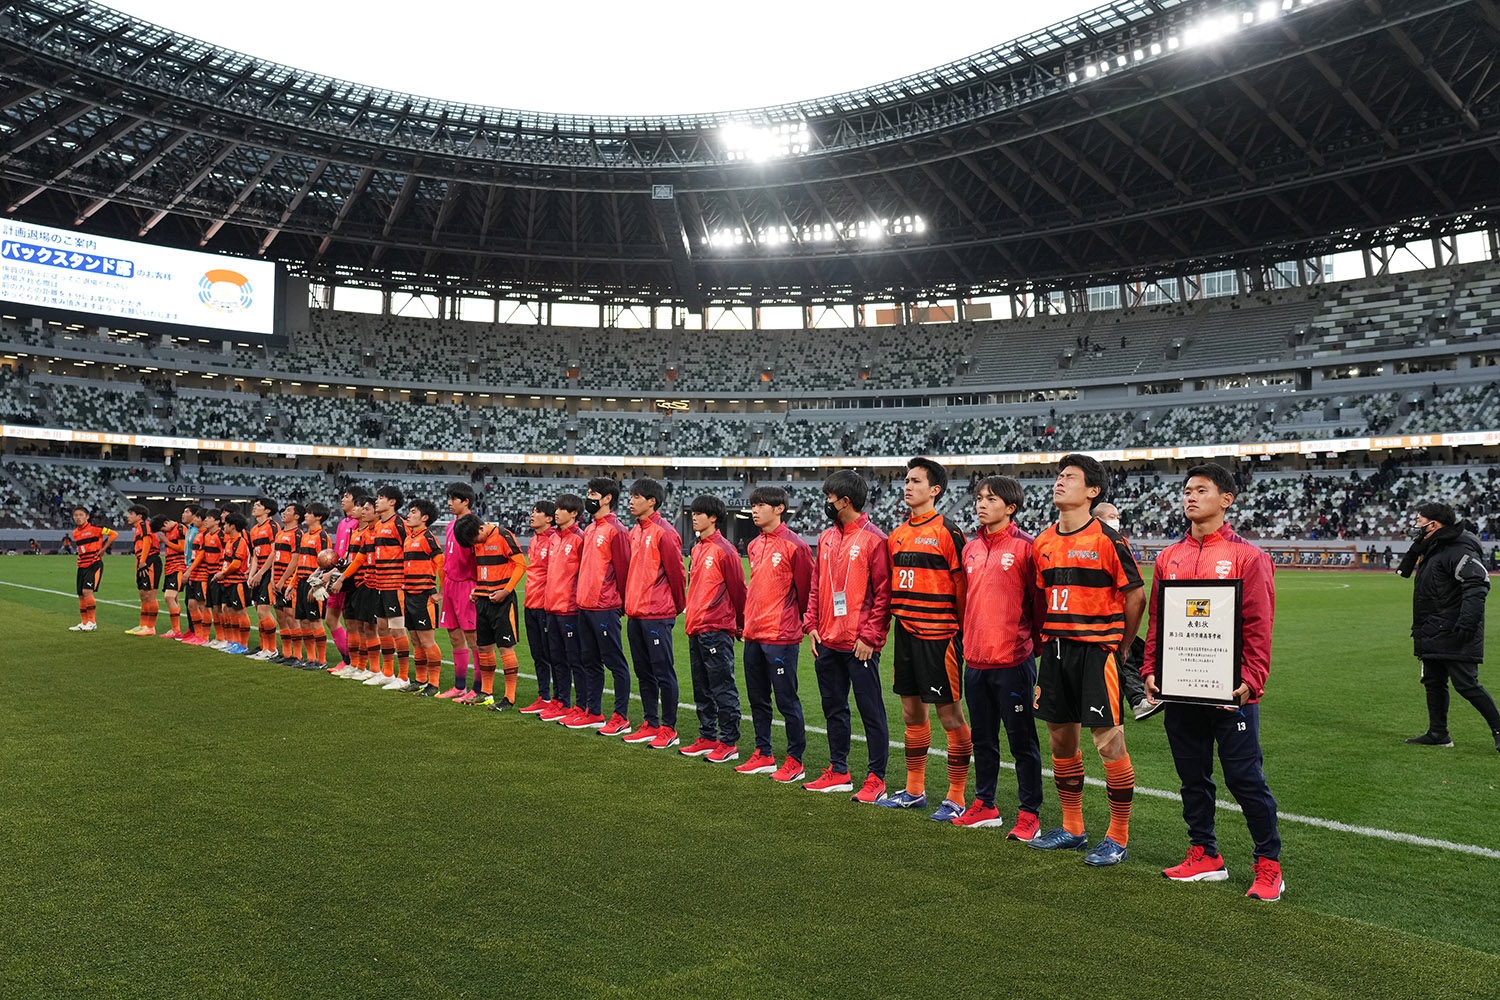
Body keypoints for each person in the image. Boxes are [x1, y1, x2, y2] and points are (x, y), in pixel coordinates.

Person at [1142, 463, 1284, 900]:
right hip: (1181, 686)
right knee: (1192, 776)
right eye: (1186, 490)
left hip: (1230, 690)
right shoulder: (1169, 556)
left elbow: (1259, 624)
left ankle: (1269, 864)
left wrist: (1252, 678)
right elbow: (1158, 621)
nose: (1190, 496)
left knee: (1244, 779)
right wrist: (1150, 668)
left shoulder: (1248, 556)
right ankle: (1205, 853)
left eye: (1201, 490)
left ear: (1227, 499)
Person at [1029, 454, 1145, 867]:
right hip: (1056, 651)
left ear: (1092, 491)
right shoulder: (1043, 542)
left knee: (1108, 741)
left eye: (1070, 477)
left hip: (1096, 651)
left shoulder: (1108, 541)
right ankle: (1073, 827)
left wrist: (1121, 645)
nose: (1059, 482)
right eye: (1058, 476)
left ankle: (1118, 836)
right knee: (1060, 738)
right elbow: (1044, 596)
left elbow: (1136, 596)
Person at [952, 475, 1045, 841]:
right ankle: (985, 804)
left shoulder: (1027, 548)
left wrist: (1028, 647)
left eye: (990, 499)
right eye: (978, 498)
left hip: (1013, 661)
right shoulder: (971, 548)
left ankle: (1029, 813)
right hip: (975, 660)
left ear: (1010, 507)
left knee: (1022, 742)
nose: (981, 503)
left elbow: (1039, 606)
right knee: (983, 739)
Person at [881, 458, 972, 823]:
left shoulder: (949, 533)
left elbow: (963, 588)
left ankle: (955, 796)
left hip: (940, 635)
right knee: (910, 712)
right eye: (906, 480)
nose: (907, 486)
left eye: (916, 481)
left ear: (934, 490)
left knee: (949, 714)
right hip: (906, 632)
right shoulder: (897, 535)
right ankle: (914, 790)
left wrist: (960, 632)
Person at [804, 470, 893, 803]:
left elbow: (885, 594)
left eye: (830, 497)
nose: (826, 502)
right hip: (827, 639)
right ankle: (838, 770)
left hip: (859, 646)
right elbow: (816, 586)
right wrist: (811, 625)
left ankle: (876, 777)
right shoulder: (826, 538)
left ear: (845, 501)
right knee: (834, 709)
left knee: (871, 712)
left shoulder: (874, 540)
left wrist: (870, 636)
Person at [1398, 501, 1500, 753]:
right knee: (1433, 681)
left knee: (1467, 684)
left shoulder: (1458, 549)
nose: (1416, 525)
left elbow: (1477, 584)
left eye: (1420, 521)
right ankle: (1438, 733)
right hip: (1433, 627)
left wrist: (1467, 622)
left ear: (1434, 524)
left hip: (1454, 628)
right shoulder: (1434, 546)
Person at [736, 485, 814, 782]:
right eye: (753, 505)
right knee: (757, 699)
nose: (755, 510)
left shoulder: (796, 546)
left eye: (761, 505)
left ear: (779, 508)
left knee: (786, 701)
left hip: (781, 636)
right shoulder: (755, 545)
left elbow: (807, 593)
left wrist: (805, 625)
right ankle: (763, 753)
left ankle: (795, 760)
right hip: (754, 634)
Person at [680, 494, 747, 763]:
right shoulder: (697, 549)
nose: (694, 516)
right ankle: (707, 737)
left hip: (717, 628)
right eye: (693, 512)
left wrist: (741, 624)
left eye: (700, 513)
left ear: (714, 517)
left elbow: (739, 591)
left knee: (722, 687)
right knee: (701, 688)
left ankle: (728, 741)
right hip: (696, 626)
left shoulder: (725, 550)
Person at [622, 478, 687, 748]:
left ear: (652, 501)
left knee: (663, 672)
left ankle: (668, 728)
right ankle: (650, 722)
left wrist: (674, 608)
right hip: (635, 613)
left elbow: (676, 573)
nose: (631, 501)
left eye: (637, 497)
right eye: (631, 496)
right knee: (643, 672)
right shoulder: (634, 532)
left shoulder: (665, 532)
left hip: (656, 613)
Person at [1094, 500, 1161, 723]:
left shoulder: (1112, 542)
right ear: (1097, 519)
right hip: (1108, 616)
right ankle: (1138, 700)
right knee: (1127, 657)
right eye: (1111, 515)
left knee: (1136, 655)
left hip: (1115, 614)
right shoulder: (1109, 543)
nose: (1116, 520)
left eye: (1117, 516)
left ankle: (1146, 695)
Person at [574, 477, 633, 732]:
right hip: (584, 606)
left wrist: (618, 605)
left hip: (605, 607)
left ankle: (621, 716)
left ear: (607, 498)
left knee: (615, 662)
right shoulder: (590, 529)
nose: (589, 496)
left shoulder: (616, 530)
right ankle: (594, 711)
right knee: (589, 661)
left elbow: (624, 572)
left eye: (593, 492)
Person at [453, 513, 526, 710]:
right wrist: (478, 590)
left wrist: (506, 591)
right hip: (483, 601)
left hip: (503, 601)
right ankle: (486, 693)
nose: (475, 544)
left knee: (505, 648)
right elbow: (483, 570)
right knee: (483, 648)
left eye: (474, 539)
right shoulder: (477, 542)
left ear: (480, 529)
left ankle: (509, 698)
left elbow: (521, 564)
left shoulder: (503, 536)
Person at [536, 493, 586, 718]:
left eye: (561, 508)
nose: (556, 512)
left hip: (569, 609)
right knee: (556, 658)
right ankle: (561, 701)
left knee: (574, 660)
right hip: (551, 607)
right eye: (555, 507)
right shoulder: (554, 538)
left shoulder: (579, 538)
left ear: (574, 513)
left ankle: (581, 705)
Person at [439, 483, 482, 698]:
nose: (449, 503)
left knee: (473, 638)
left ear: (466, 501)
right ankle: (459, 686)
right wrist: (441, 589)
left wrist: (479, 587)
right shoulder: (449, 526)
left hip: (467, 585)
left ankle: (478, 688)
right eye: (449, 498)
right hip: (449, 585)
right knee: (454, 636)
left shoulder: (474, 526)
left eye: (453, 499)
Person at [368, 485, 412, 688]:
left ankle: (403, 677)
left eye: (381, 497)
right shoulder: (378, 526)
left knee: (397, 629)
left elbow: (410, 550)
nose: (377, 501)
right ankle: (387, 672)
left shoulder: (400, 524)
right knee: (382, 628)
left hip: (395, 584)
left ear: (392, 502)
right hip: (380, 583)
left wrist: (405, 580)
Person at [401, 499, 446, 696]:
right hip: (409, 594)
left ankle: (433, 685)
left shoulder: (428, 538)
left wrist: (441, 593)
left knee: (427, 641)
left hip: (423, 596)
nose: (408, 515)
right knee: (416, 640)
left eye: (413, 512)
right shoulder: (409, 538)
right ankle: (419, 680)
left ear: (424, 518)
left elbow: (443, 565)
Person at [519, 501, 558, 712]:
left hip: (547, 606)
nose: (532, 515)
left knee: (552, 654)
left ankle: (558, 700)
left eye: (537, 512)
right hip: (530, 603)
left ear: (549, 518)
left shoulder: (555, 540)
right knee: (537, 654)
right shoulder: (534, 541)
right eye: (532, 511)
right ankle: (543, 696)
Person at [325, 488, 361, 668]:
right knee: (331, 619)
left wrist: (333, 574)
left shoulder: (358, 525)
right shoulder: (342, 524)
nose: (343, 499)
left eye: (347, 496)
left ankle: (352, 662)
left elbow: (351, 555)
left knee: (351, 622)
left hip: (347, 576)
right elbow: (339, 554)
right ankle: (347, 659)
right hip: (337, 573)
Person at [266, 503, 304, 665]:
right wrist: (274, 578)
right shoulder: (280, 533)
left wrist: (282, 581)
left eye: (288, 510)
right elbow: (275, 557)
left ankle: (298, 655)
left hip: (288, 582)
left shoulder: (298, 534)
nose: (284, 512)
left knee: (291, 617)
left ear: (296, 517)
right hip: (277, 581)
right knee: (281, 617)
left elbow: (295, 560)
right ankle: (287, 654)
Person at [67, 505, 115, 632]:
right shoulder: (75, 533)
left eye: (81, 515)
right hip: (81, 565)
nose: (78, 517)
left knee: (87, 592)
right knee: (81, 595)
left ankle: (92, 622)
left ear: (87, 517)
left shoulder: (96, 529)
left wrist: (104, 549)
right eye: (76, 515)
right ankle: (84, 622)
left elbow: (114, 534)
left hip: (94, 564)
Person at [213, 512, 252, 655]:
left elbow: (236, 563)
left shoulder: (240, 542)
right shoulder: (230, 541)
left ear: (232, 526)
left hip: (238, 582)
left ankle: (243, 644)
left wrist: (222, 573)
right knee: (230, 612)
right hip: (228, 582)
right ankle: (234, 642)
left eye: (226, 524)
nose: (223, 526)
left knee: (240, 613)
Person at [246, 497, 280, 659]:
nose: (254, 507)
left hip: (269, 572)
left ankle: (272, 649)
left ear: (267, 510)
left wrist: (260, 574)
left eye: (258, 505)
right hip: (259, 572)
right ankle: (264, 647)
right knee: (259, 610)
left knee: (263, 610)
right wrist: (252, 574)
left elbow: (274, 553)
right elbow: (255, 555)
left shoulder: (273, 526)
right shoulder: (253, 530)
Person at [123, 504, 160, 636]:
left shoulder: (145, 526)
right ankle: (143, 625)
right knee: (143, 594)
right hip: (142, 561)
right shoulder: (138, 528)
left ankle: (151, 627)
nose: (128, 516)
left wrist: (143, 561)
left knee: (150, 594)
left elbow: (147, 542)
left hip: (149, 560)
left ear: (139, 516)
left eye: (131, 514)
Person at [155, 513, 186, 638]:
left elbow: (183, 548)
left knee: (169, 597)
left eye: (162, 529)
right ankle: (176, 630)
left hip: (178, 567)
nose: (163, 532)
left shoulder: (180, 529)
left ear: (166, 523)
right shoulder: (169, 532)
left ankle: (176, 630)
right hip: (170, 567)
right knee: (174, 598)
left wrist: (167, 542)